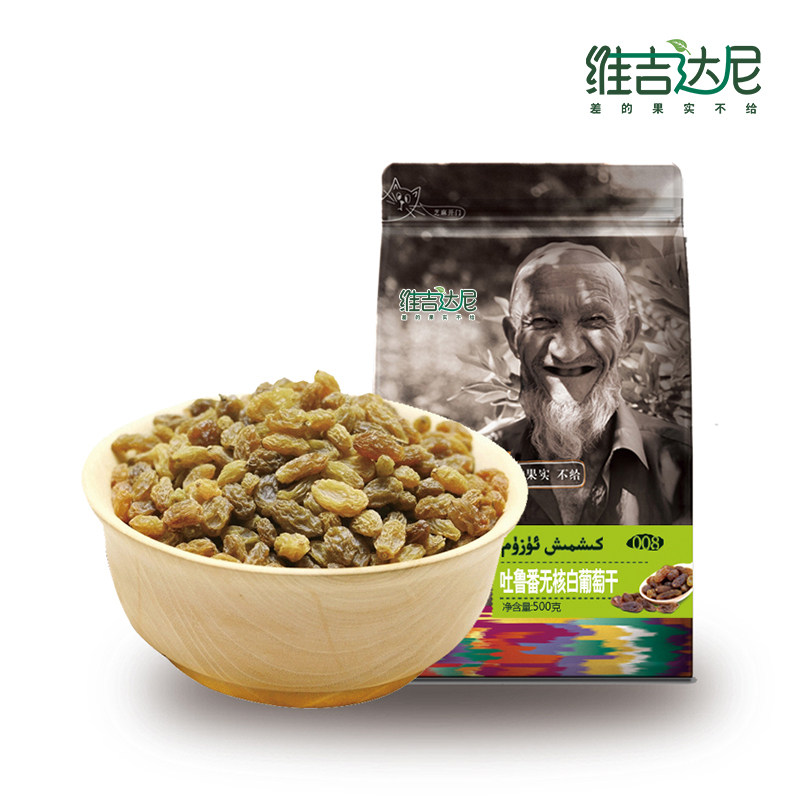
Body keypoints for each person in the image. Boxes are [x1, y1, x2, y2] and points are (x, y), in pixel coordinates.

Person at [493, 242, 691, 525]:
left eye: (594, 320)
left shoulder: (683, 463)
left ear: (627, 336)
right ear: (514, 339)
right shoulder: (483, 462)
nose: (568, 352)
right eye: (543, 321)